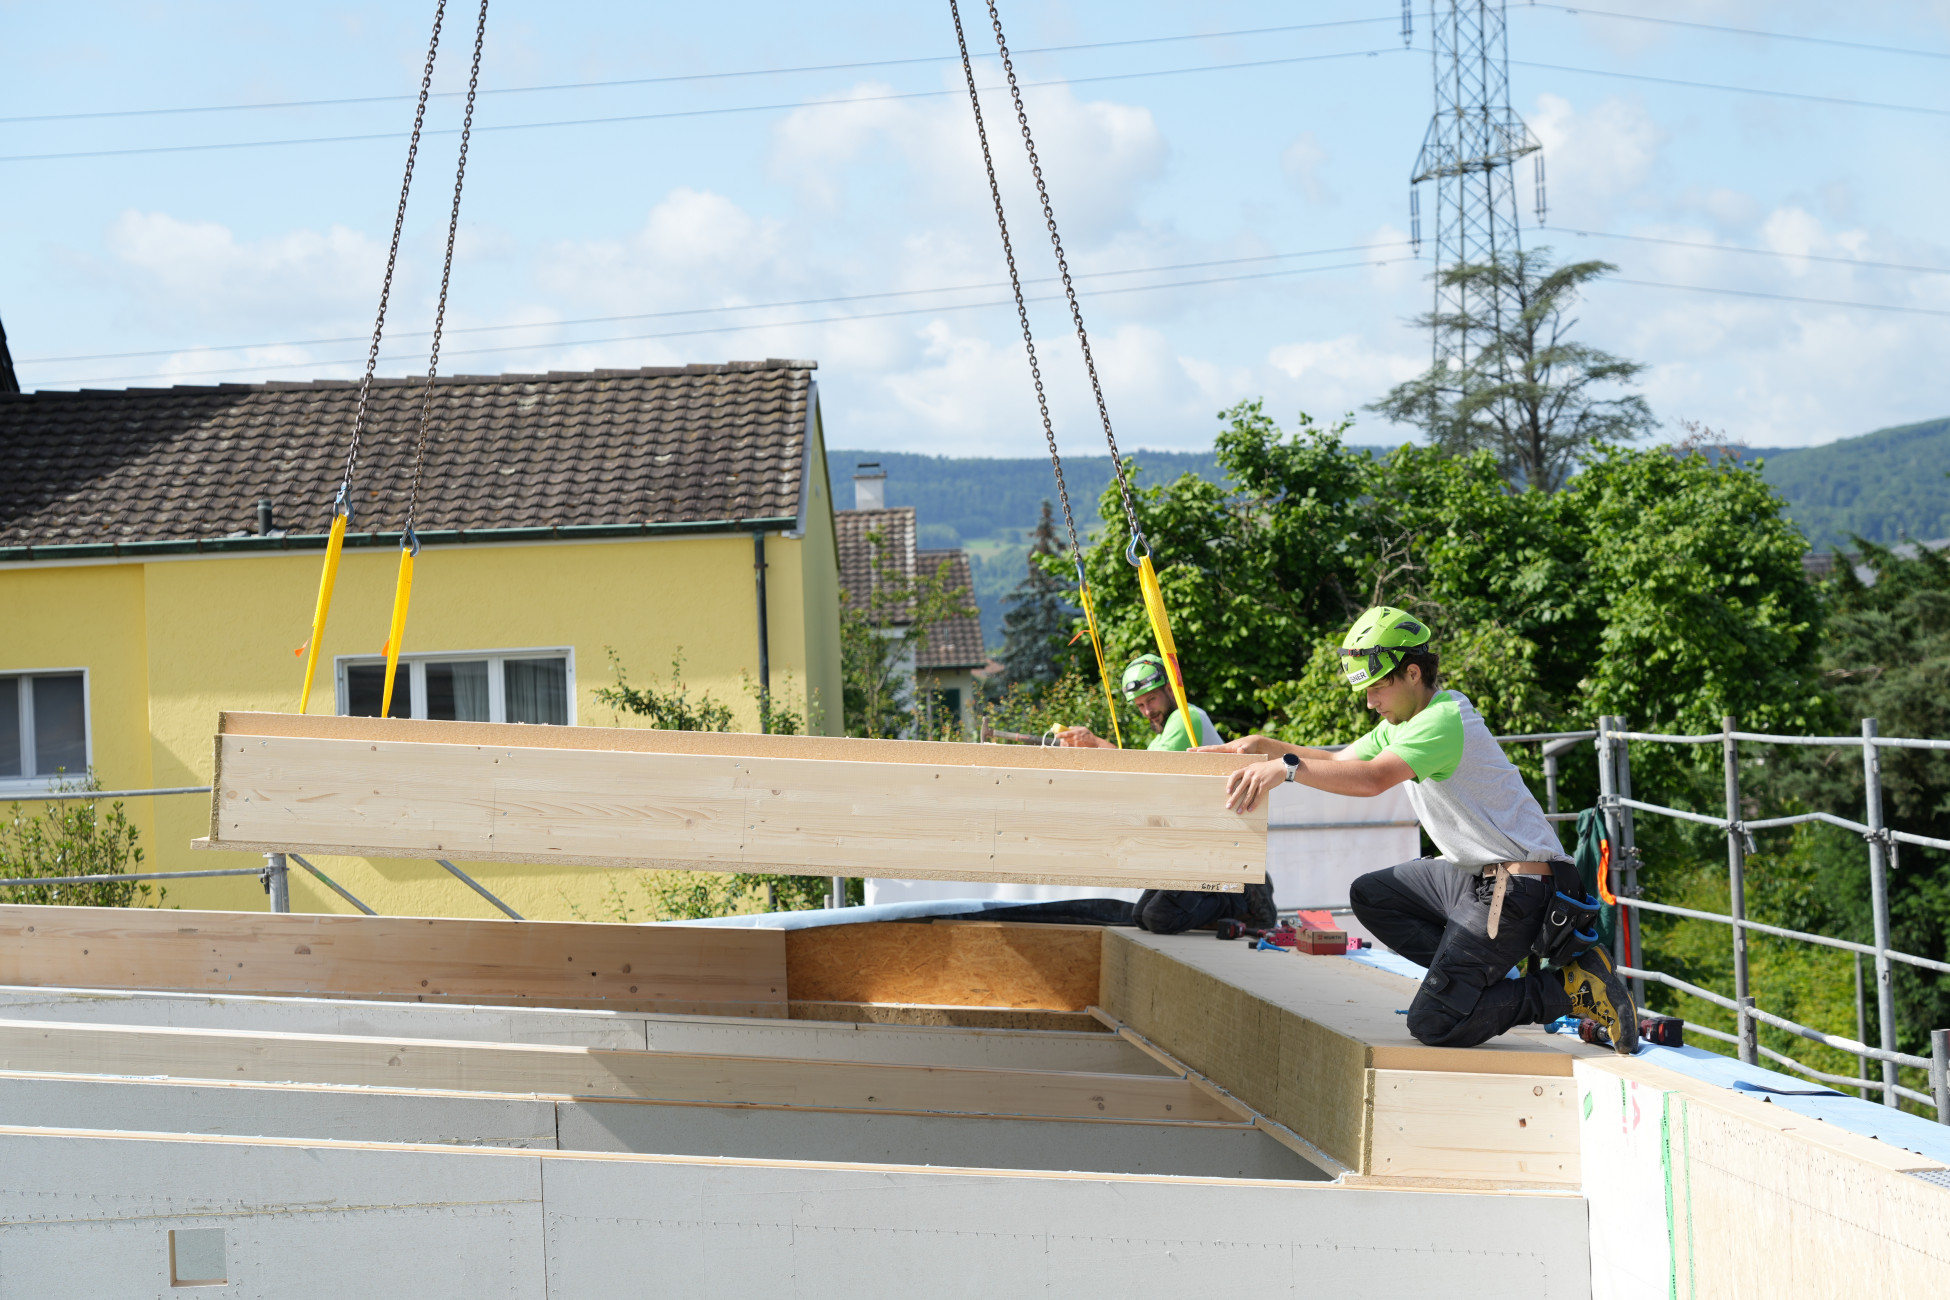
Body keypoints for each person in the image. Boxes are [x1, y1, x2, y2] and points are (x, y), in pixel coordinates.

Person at [1204, 606, 1638, 1054]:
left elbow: (1372, 779)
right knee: (1372, 895)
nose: (1370, 702)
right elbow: (1335, 761)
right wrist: (1264, 747)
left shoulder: (1441, 721)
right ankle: (1489, 977)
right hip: (1479, 877)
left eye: (1377, 688)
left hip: (1519, 889)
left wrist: (1288, 769)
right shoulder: (1405, 723)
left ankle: (1569, 989)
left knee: (1434, 1023)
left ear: (1412, 673)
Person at [1059, 654, 1276, 934]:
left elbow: (1147, 773)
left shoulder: (1187, 718)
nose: (1147, 711)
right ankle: (1229, 900)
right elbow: (1140, 772)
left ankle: (1245, 895)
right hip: (1199, 845)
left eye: (1151, 700)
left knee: (1159, 918)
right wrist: (1094, 747)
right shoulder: (1163, 737)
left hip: (1218, 848)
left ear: (1170, 689)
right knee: (1141, 916)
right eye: (1140, 705)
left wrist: (1096, 743)